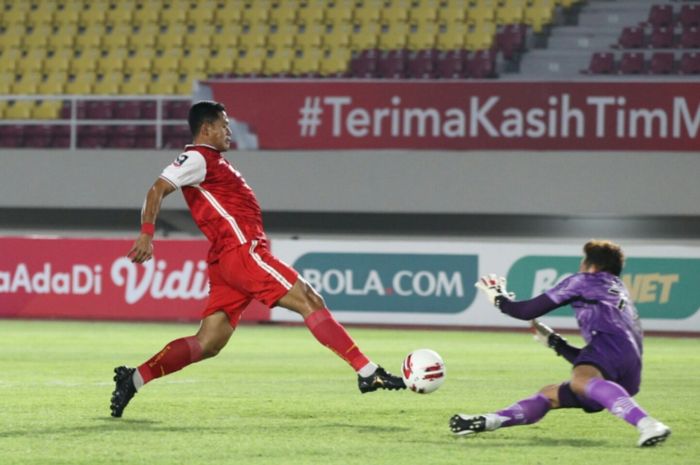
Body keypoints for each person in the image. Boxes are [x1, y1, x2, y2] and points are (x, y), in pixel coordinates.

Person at [110, 100, 405, 418]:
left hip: (227, 259)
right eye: (223, 124)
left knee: (208, 342)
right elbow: (156, 190)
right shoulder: (197, 157)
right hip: (243, 252)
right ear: (206, 128)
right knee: (310, 300)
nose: (229, 130)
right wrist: (146, 233)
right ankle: (367, 372)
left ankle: (134, 378)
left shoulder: (210, 162)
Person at [450, 240, 671, 447]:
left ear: (591, 266)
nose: (580, 266)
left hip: (608, 348)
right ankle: (490, 420)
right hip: (631, 367)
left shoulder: (584, 280)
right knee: (550, 395)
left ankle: (649, 424)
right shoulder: (619, 290)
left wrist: (500, 299)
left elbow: (526, 311)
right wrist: (556, 343)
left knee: (581, 379)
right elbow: (599, 364)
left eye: (583, 262)